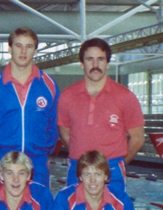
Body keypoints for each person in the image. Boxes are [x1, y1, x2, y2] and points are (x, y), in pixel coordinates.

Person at [57, 38, 145, 193]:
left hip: (112, 168)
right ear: (82, 64)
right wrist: (81, 155)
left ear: (107, 63)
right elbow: (64, 132)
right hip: (78, 166)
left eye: (100, 59)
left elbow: (137, 138)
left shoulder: (125, 96)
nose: (95, 65)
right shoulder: (67, 96)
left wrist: (120, 164)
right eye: (90, 59)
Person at [0, 27, 59, 187]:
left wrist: (41, 150)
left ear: (35, 50)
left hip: (37, 164)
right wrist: (0, 152)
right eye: (18, 46)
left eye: (29, 46)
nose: (23, 51)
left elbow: (53, 127)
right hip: (4, 163)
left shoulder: (48, 85)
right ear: (10, 48)